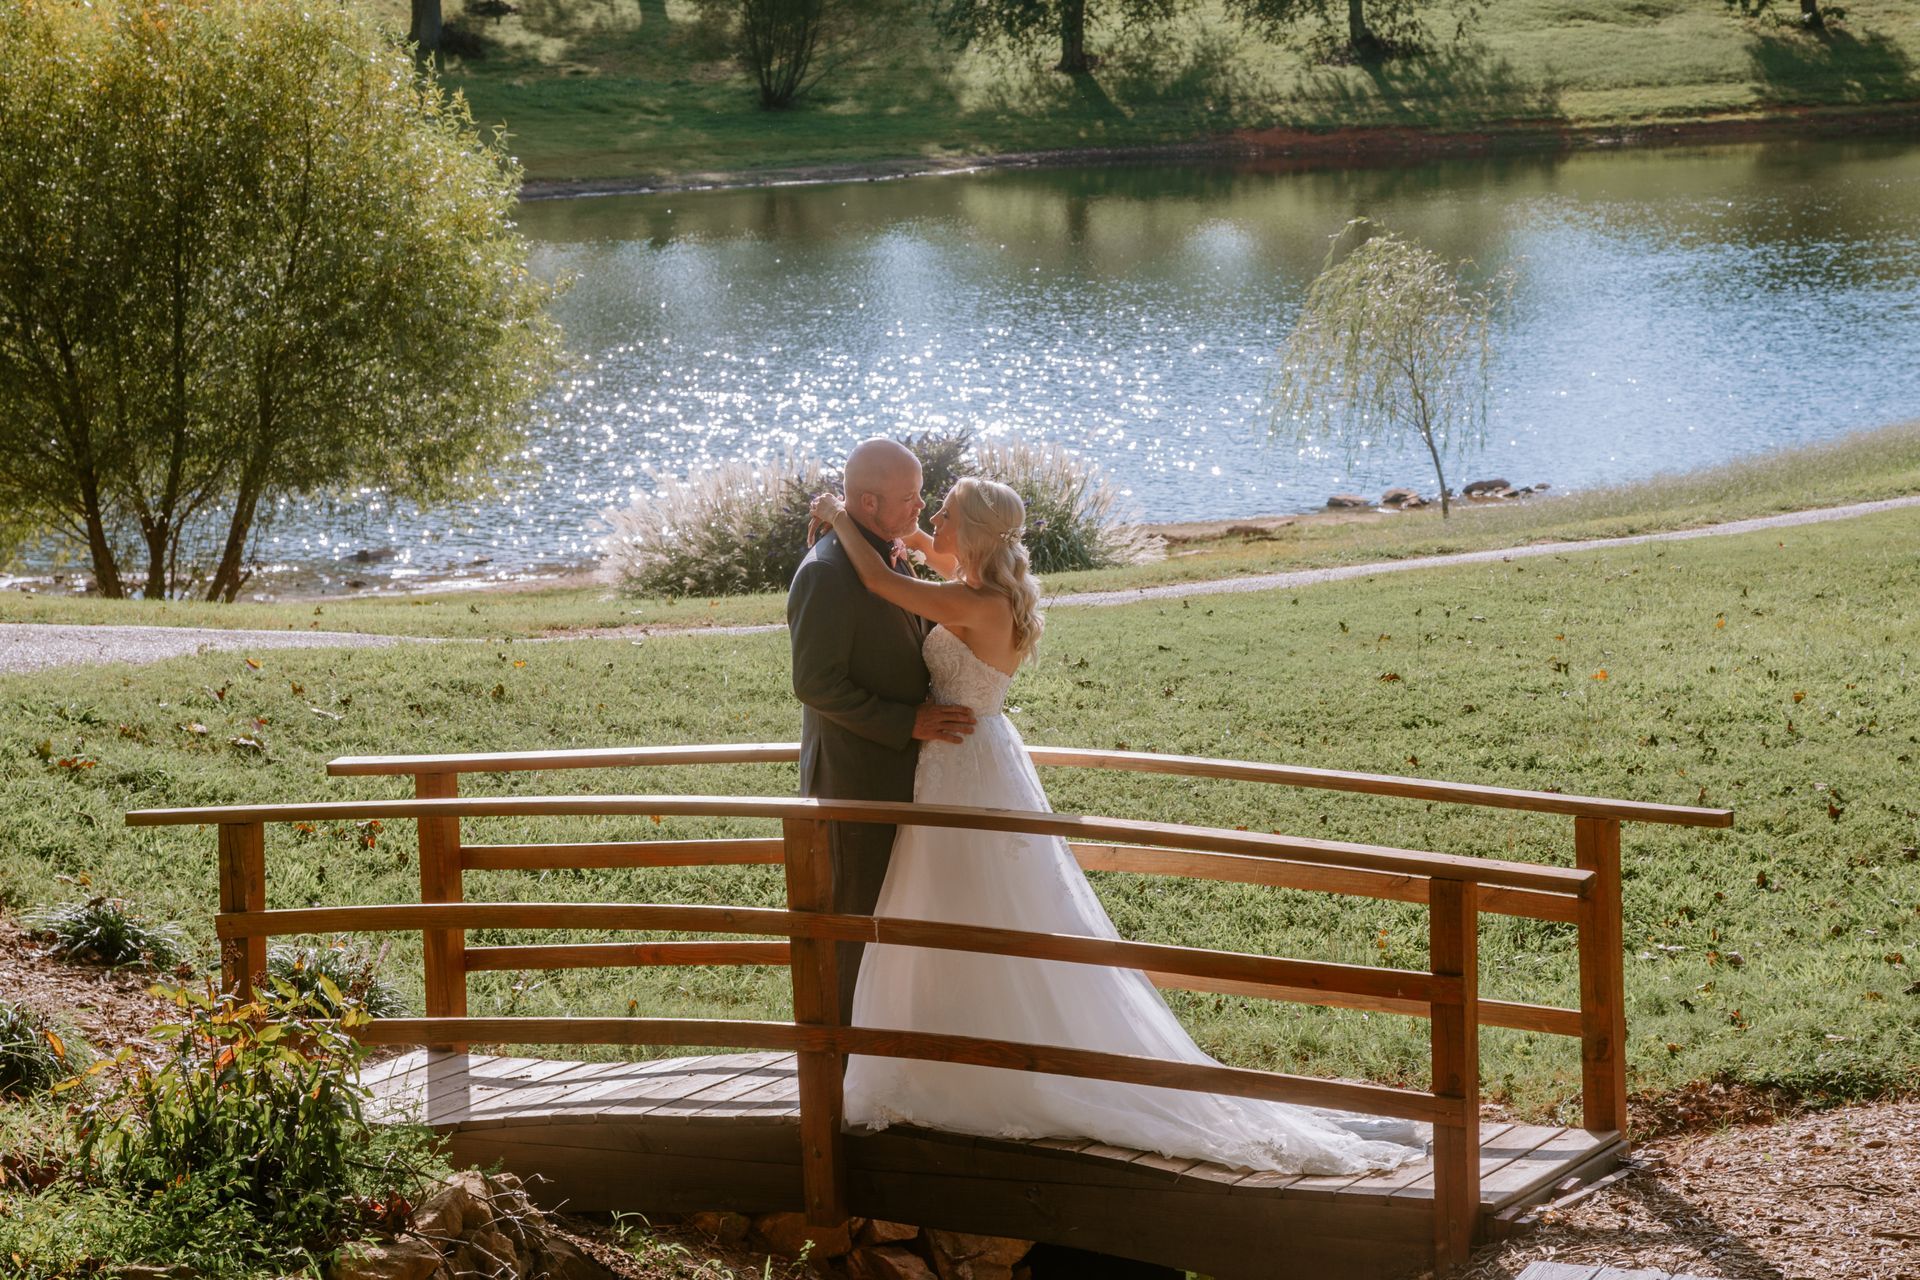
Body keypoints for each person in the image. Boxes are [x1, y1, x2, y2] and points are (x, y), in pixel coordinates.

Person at [805, 477, 1428, 1175]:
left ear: (972, 534)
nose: (928, 523)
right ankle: (967, 1050)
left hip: (963, 767)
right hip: (974, 759)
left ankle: (984, 1068)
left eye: (941, 514)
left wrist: (839, 519)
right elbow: (922, 550)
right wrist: (905, 534)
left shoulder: (968, 600)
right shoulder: (986, 588)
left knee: (968, 905)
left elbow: (879, 582)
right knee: (962, 907)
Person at [788, 439, 978, 1022]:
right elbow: (816, 684)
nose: (921, 505)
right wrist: (909, 721)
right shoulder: (826, 572)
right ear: (867, 503)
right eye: (909, 497)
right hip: (855, 777)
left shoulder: (887, 553)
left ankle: (893, 1050)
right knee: (854, 923)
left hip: (909, 770)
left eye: (922, 493)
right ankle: (841, 1068)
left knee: (897, 919)